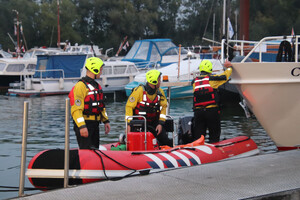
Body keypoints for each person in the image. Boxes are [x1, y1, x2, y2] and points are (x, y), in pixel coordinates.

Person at [69, 57, 110, 149]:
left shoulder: (96, 86)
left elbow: (101, 106)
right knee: (86, 152)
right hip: (85, 124)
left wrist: (105, 120)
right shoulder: (81, 86)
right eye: (100, 69)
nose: (101, 72)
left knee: (95, 150)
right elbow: (76, 109)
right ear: (94, 69)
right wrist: (82, 126)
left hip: (95, 124)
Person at [125, 69, 173, 147]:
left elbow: (164, 107)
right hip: (139, 123)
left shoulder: (160, 92)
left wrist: (160, 124)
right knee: (137, 142)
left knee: (165, 139)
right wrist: (128, 124)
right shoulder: (139, 91)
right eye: (159, 80)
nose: (160, 82)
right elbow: (129, 107)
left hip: (154, 122)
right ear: (154, 81)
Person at [192, 59, 232, 143]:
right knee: (214, 135)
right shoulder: (212, 79)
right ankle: (214, 147)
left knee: (199, 136)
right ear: (210, 69)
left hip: (198, 113)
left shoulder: (194, 82)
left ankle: (199, 149)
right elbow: (225, 76)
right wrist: (229, 67)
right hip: (211, 111)